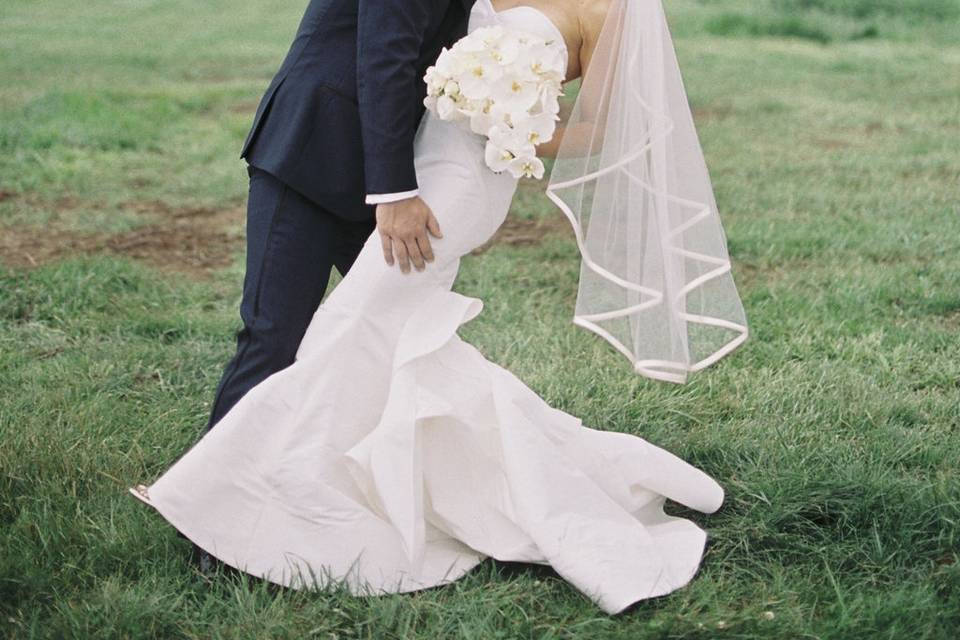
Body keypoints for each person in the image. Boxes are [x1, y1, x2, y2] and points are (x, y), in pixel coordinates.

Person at [130, 0, 748, 615]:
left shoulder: (612, 10)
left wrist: (507, 126)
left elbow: (605, 122)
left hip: (438, 185)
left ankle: (245, 510)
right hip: (337, 146)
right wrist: (408, 176)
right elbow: (385, 54)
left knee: (353, 328)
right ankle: (244, 515)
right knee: (350, 336)